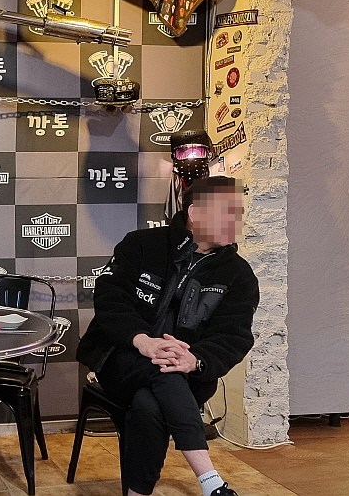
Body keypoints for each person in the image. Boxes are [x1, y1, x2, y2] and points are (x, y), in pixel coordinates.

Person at [76, 176, 259, 496]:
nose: (236, 222)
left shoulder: (239, 275)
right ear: (195, 213)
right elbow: (110, 299)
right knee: (161, 371)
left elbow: (234, 335)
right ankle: (211, 481)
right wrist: (143, 341)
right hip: (121, 359)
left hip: (189, 375)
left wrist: (195, 360)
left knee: (150, 405)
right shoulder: (141, 244)